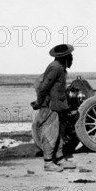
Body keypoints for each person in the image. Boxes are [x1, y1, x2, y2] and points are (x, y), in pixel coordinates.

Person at [31, 44, 77, 172]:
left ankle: (60, 159)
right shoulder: (55, 67)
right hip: (50, 106)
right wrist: (39, 103)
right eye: (71, 56)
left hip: (59, 106)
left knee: (59, 133)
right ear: (65, 57)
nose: (72, 59)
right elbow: (44, 87)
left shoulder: (61, 68)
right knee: (50, 133)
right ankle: (48, 163)